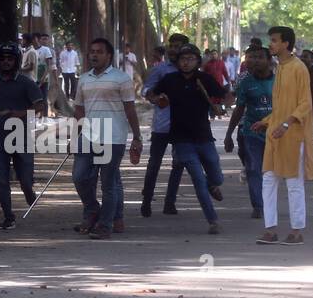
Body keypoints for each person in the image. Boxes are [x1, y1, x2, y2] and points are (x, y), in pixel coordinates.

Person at [150, 44, 226, 234]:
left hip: (204, 137)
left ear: (198, 62)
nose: (186, 62)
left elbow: (224, 96)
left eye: (191, 59)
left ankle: (212, 183)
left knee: (217, 176)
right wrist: (158, 99)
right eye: (183, 59)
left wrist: (220, 106)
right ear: (178, 62)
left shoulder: (205, 79)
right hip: (181, 139)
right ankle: (212, 220)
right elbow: (151, 94)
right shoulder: (169, 79)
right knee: (198, 180)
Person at [72, 38, 142, 238]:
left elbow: (130, 108)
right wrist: (75, 135)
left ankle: (105, 225)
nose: (94, 55)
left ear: (108, 55)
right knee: (79, 177)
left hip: (113, 137)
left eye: (99, 52)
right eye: (92, 51)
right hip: (88, 136)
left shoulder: (121, 79)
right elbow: (79, 108)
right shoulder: (84, 79)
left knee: (108, 183)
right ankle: (92, 209)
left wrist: (136, 136)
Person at [254, 26, 313, 245]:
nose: (270, 44)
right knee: (269, 180)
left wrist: (286, 123)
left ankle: (296, 231)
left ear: (286, 44)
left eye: (274, 40)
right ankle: (270, 229)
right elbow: (281, 106)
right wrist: (266, 122)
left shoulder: (299, 68)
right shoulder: (280, 68)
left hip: (292, 135)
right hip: (275, 134)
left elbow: (305, 103)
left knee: (293, 183)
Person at [0, 42, 44, 229]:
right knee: (1, 179)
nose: (6, 62)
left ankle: (29, 192)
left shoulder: (26, 83)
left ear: (17, 61)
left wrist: (21, 113)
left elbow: (40, 105)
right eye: (3, 59)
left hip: (21, 138)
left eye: (10, 59)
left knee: (25, 180)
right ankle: (8, 216)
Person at [225, 44, 274, 219]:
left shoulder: (280, 79)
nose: (255, 61)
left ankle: (270, 203)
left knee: (271, 171)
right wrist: (229, 133)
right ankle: (258, 205)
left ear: (269, 60)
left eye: (260, 57)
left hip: (275, 132)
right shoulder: (245, 81)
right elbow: (239, 108)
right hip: (251, 132)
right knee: (253, 168)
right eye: (252, 57)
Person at [140, 39, 182, 216]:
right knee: (154, 164)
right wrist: (154, 98)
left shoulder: (191, 71)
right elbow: (146, 90)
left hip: (183, 126)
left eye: (178, 46)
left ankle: (169, 202)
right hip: (161, 125)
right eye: (171, 46)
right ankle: (147, 200)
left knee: (179, 164)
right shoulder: (160, 69)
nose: (173, 49)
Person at [202, 49, 231, 115]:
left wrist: (228, 81)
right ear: (210, 55)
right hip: (210, 85)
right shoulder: (207, 64)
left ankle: (222, 111)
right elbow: (204, 74)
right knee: (212, 99)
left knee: (220, 99)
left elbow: (225, 72)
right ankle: (212, 113)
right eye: (212, 54)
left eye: (215, 54)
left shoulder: (221, 63)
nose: (213, 55)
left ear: (217, 55)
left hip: (219, 84)